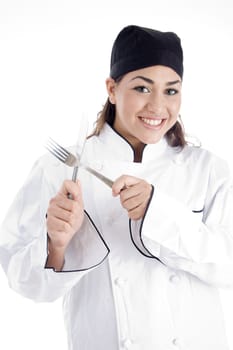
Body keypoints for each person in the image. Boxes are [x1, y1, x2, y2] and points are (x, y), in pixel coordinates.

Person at [0, 24, 233, 350]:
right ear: (112, 88)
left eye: (171, 90)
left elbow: (228, 269)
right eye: (142, 88)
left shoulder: (208, 170)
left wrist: (160, 213)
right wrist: (55, 245)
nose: (157, 106)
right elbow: (23, 283)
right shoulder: (59, 170)